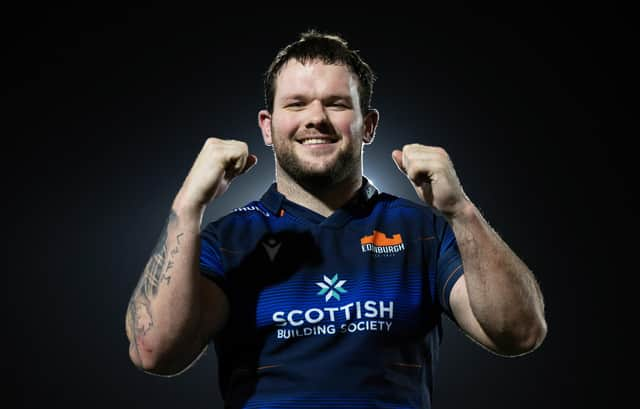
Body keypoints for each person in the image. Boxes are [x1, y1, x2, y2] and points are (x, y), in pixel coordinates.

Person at [125, 30, 547, 409]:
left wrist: (461, 211)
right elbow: (154, 352)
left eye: (337, 104)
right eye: (296, 103)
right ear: (267, 127)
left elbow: (519, 333)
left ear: (368, 125)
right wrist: (186, 208)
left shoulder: (424, 232)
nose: (316, 118)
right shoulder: (229, 240)